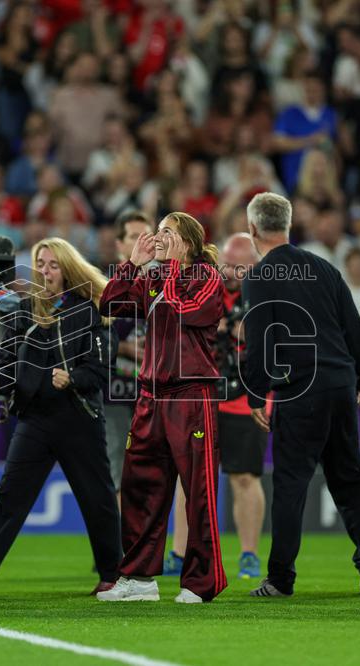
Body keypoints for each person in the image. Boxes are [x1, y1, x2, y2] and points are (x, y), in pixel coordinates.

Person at [241, 192, 360, 598]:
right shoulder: (324, 268)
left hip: (299, 391)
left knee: (289, 484)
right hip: (338, 384)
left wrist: (255, 393)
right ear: (287, 225)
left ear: (253, 229)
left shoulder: (259, 277)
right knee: (350, 477)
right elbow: (354, 328)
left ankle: (281, 579)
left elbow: (260, 341)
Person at [0, 237, 120, 596]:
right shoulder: (22, 310)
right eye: (40, 263)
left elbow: (101, 369)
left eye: (53, 265)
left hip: (78, 416)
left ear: (68, 269)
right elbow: (8, 362)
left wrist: (74, 379)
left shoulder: (88, 310)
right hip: (35, 417)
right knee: (10, 495)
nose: (45, 271)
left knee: (96, 497)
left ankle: (113, 574)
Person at [97, 212, 227, 604]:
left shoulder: (206, 278)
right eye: (159, 233)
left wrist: (165, 269)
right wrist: (132, 264)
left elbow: (183, 310)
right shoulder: (153, 277)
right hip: (151, 395)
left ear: (187, 242)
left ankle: (200, 582)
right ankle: (138, 578)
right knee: (140, 488)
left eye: (168, 233)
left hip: (191, 394)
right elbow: (110, 303)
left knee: (199, 491)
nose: (159, 239)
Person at [216, 232, 268, 579]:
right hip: (202, 393)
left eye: (240, 267)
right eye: (227, 265)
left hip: (244, 397)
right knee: (186, 479)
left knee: (244, 477)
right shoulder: (204, 288)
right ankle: (179, 552)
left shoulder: (265, 295)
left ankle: (248, 553)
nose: (231, 272)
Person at [105, 210, 153, 501]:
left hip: (151, 393)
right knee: (117, 467)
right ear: (120, 244)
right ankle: (120, 545)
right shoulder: (105, 284)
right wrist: (124, 348)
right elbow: (88, 336)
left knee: (149, 472)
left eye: (148, 236)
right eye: (135, 237)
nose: (143, 243)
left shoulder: (164, 284)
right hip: (113, 392)